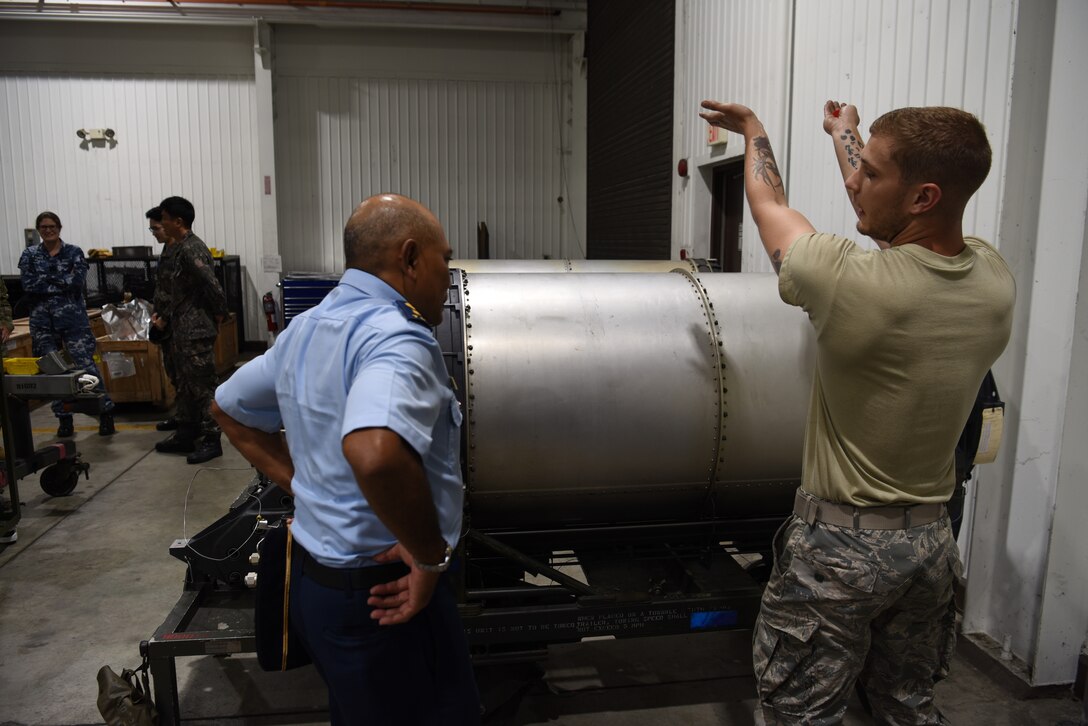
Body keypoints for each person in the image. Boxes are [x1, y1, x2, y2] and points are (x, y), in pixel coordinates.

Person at [699, 99, 1015, 725]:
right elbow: (897, 227)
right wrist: (846, 135)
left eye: (870, 173)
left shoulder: (846, 281)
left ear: (923, 197)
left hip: (839, 552)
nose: (854, 181)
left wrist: (755, 132)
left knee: (800, 714)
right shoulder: (993, 278)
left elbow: (769, 205)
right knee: (907, 708)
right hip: (931, 547)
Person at [212, 193, 480, 725]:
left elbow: (228, 407)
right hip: (383, 595)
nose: (447, 279)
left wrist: (303, 485)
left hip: (319, 588)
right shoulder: (396, 338)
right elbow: (375, 454)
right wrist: (428, 557)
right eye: (444, 260)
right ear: (410, 258)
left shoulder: (306, 328)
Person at [19, 212, 116, 437]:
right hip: (43, 323)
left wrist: (46, 281)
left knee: (86, 367)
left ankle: (105, 413)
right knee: (53, 371)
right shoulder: (30, 255)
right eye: (43, 227)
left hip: (73, 321)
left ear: (59, 228)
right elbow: (28, 284)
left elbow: (76, 283)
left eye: (52, 226)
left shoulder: (74, 252)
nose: (48, 230)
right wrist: (60, 280)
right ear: (39, 230)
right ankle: (64, 419)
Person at [150, 196, 228, 465]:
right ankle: (186, 432)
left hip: (195, 330)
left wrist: (219, 313)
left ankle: (212, 439)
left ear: (178, 221)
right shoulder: (178, 248)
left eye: (164, 219)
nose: (161, 224)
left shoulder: (192, 249)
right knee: (184, 385)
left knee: (203, 386)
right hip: (180, 330)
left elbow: (212, 285)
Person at [146, 207, 181, 433]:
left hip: (180, 326)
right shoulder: (167, 251)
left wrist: (165, 318)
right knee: (175, 376)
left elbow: (181, 292)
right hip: (166, 325)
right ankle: (182, 417)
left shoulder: (183, 251)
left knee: (192, 382)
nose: (155, 233)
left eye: (156, 228)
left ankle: (203, 429)